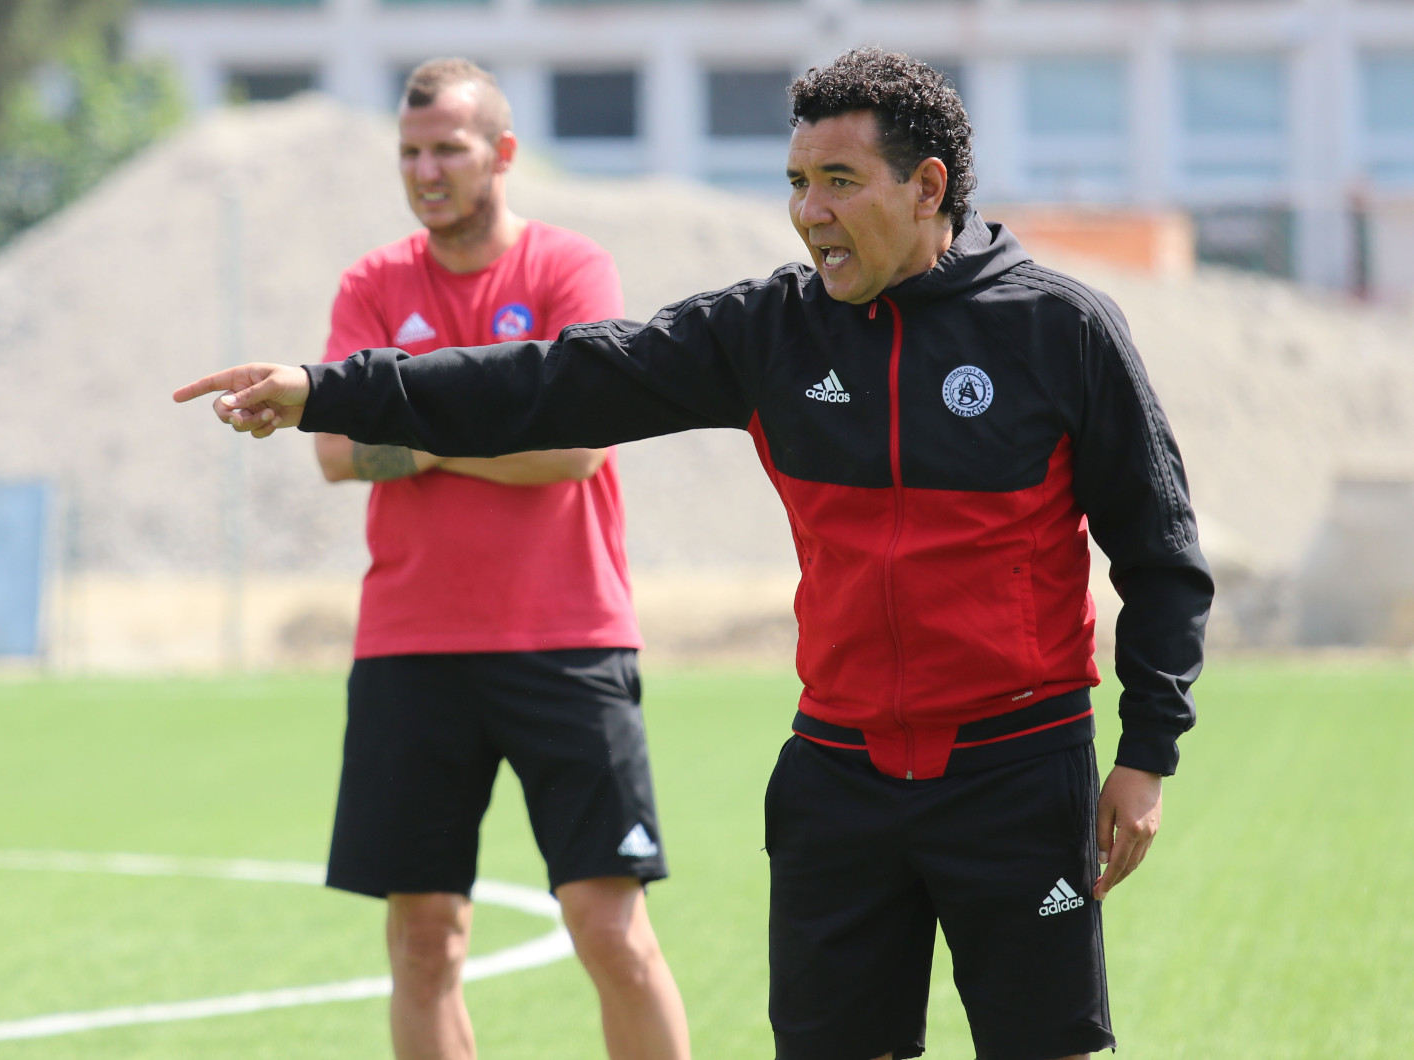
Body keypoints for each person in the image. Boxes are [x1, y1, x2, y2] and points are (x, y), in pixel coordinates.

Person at [178, 48, 1212, 1060]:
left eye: (839, 181)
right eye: (797, 182)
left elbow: (1159, 552)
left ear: (927, 186)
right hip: (837, 774)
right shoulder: (769, 332)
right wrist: (327, 389)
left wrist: (1146, 754)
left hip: (1016, 769)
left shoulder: (1059, 330)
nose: (809, 211)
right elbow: (555, 380)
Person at [295, 58, 688, 1060]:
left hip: (568, 638)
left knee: (611, 931)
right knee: (424, 943)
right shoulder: (373, 284)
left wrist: (418, 427)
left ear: (502, 153)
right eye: (409, 152)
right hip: (411, 646)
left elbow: (579, 445)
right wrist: (495, 428)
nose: (425, 171)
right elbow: (336, 451)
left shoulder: (569, 270)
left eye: (447, 149)